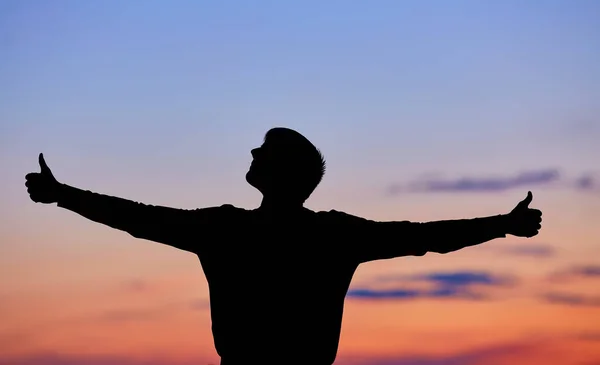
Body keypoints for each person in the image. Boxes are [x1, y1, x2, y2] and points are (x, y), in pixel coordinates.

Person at [25, 127, 542, 365]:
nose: (252, 150)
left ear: (284, 172)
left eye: (265, 150)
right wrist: (62, 195)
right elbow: (424, 238)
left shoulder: (230, 230)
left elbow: (423, 237)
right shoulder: (326, 234)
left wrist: (502, 223)